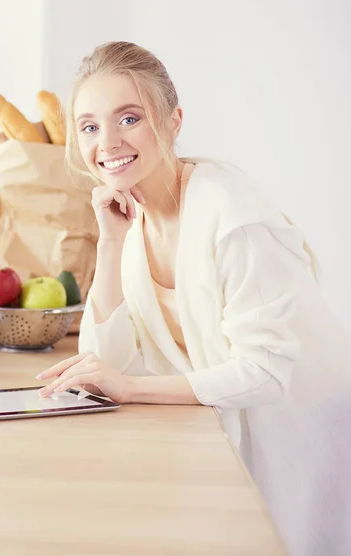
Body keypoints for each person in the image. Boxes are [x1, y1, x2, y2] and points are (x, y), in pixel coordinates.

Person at [36, 41, 351, 556]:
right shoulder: (133, 214)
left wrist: (134, 390)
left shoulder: (229, 213)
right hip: (232, 440)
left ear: (173, 119)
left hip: (308, 438)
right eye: (90, 126)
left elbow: (267, 373)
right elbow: (105, 360)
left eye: (129, 118)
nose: (107, 141)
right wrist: (110, 242)